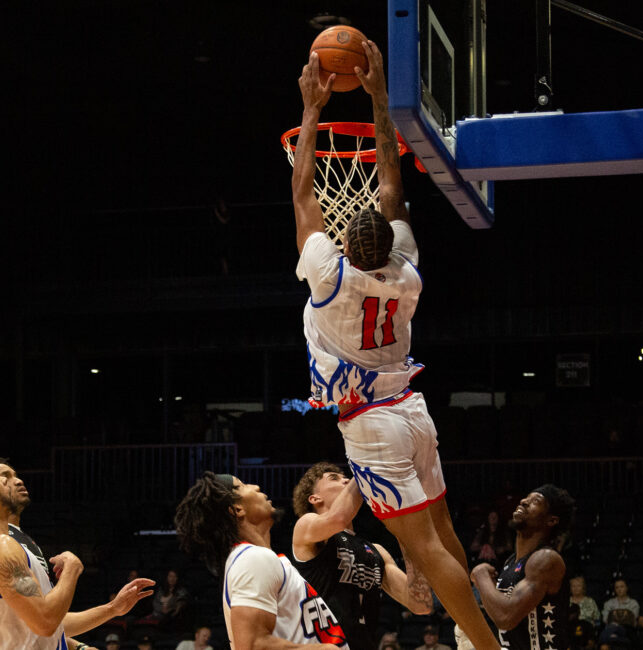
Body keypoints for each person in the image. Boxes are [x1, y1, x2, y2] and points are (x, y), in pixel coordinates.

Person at [290, 43, 499, 650]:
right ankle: (473, 641)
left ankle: (485, 647)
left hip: (374, 425)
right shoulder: (406, 273)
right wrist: (382, 99)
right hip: (410, 409)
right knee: (441, 529)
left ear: (346, 245)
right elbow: (391, 189)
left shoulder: (331, 278)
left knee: (424, 547)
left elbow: (304, 194)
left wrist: (311, 110)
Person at [0, 459, 154, 649]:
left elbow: (37, 622)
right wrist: (72, 568)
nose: (9, 480)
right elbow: (45, 620)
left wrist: (111, 609)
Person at [174, 472, 344, 650]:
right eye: (242, 485)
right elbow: (253, 645)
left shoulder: (255, 559)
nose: (256, 487)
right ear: (237, 509)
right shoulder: (251, 558)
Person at [291, 462, 434, 650]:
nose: (347, 480)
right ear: (315, 498)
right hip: (324, 645)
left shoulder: (376, 550)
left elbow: (420, 604)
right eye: (334, 478)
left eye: (346, 477)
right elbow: (339, 518)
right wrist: (366, 463)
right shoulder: (306, 525)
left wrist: (407, 536)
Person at [469, 485, 574, 650]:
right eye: (526, 497)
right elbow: (500, 613)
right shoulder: (511, 562)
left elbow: (505, 617)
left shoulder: (546, 559)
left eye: (535, 501)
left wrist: (481, 576)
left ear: (551, 520)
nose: (524, 501)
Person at [599, 579, 640, 649]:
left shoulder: (633, 603)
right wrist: (622, 618)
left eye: (622, 587)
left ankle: (606, 639)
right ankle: (612, 637)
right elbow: (605, 619)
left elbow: (631, 619)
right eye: (617, 587)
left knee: (610, 631)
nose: (619, 589)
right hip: (610, 628)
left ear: (626, 588)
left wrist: (615, 620)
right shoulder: (609, 603)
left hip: (627, 631)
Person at [568, 576, 600, 648]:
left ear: (583, 587)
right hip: (570, 630)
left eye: (578, 586)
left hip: (587, 631)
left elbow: (597, 619)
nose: (576, 588)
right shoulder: (566, 602)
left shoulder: (590, 601)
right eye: (573, 586)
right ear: (570, 588)